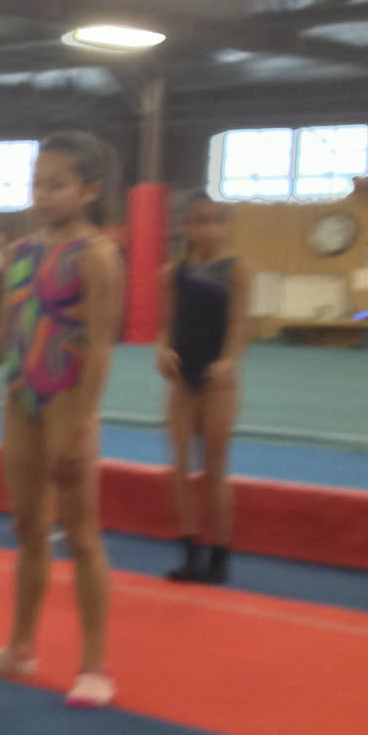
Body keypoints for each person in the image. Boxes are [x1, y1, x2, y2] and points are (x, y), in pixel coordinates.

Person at [0, 131, 123, 710]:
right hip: (22, 396)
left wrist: (80, 423)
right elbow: (8, 326)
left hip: (67, 402)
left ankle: (95, 664)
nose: (43, 195)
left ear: (89, 190)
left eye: (57, 185)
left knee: (81, 534)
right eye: (37, 184)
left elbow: (100, 346)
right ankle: (20, 647)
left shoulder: (97, 255)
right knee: (27, 528)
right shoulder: (21, 251)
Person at [157, 193, 251, 585]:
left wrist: (228, 360)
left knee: (214, 469)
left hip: (217, 382)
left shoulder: (237, 270)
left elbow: (239, 323)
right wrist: (162, 349)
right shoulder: (172, 273)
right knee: (180, 468)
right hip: (183, 379)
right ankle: (190, 550)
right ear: (187, 227)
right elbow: (167, 323)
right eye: (199, 221)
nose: (208, 229)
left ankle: (219, 554)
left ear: (225, 226)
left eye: (216, 221)